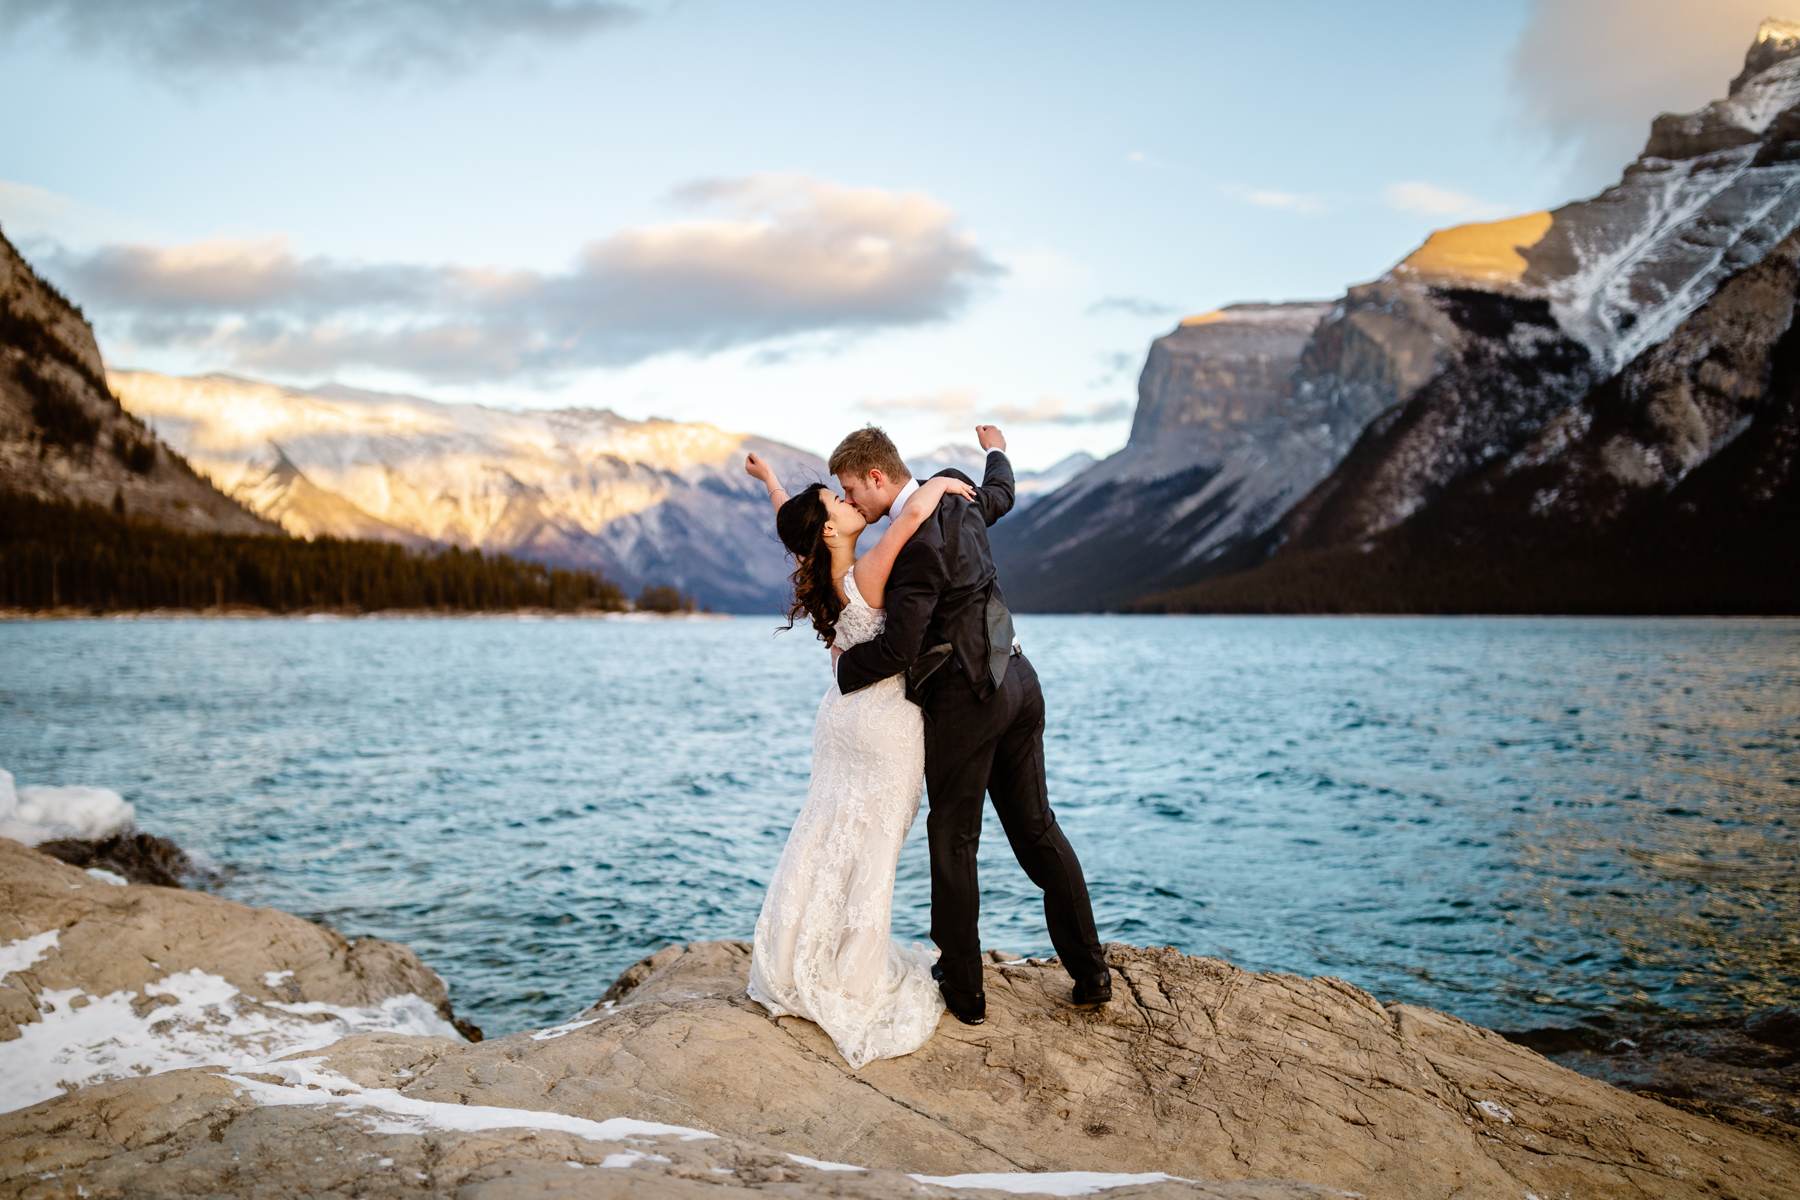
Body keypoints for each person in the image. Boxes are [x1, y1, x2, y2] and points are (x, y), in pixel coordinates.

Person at [829, 424, 1109, 1027]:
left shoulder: (913, 543)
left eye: (852, 488)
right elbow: (1001, 493)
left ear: (878, 477)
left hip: (968, 700)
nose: (851, 501)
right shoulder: (956, 495)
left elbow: (902, 646)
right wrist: (996, 450)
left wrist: (843, 667)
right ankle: (1091, 974)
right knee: (1037, 831)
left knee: (953, 841)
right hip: (1020, 680)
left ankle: (965, 991)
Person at [740, 440, 991, 1068]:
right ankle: (850, 974)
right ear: (830, 527)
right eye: (839, 500)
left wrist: (770, 479)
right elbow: (907, 517)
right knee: (873, 847)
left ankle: (799, 950)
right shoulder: (864, 571)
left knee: (826, 828)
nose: (850, 500)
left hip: (840, 722)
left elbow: (789, 519)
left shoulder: (820, 566)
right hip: (882, 725)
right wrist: (936, 487)